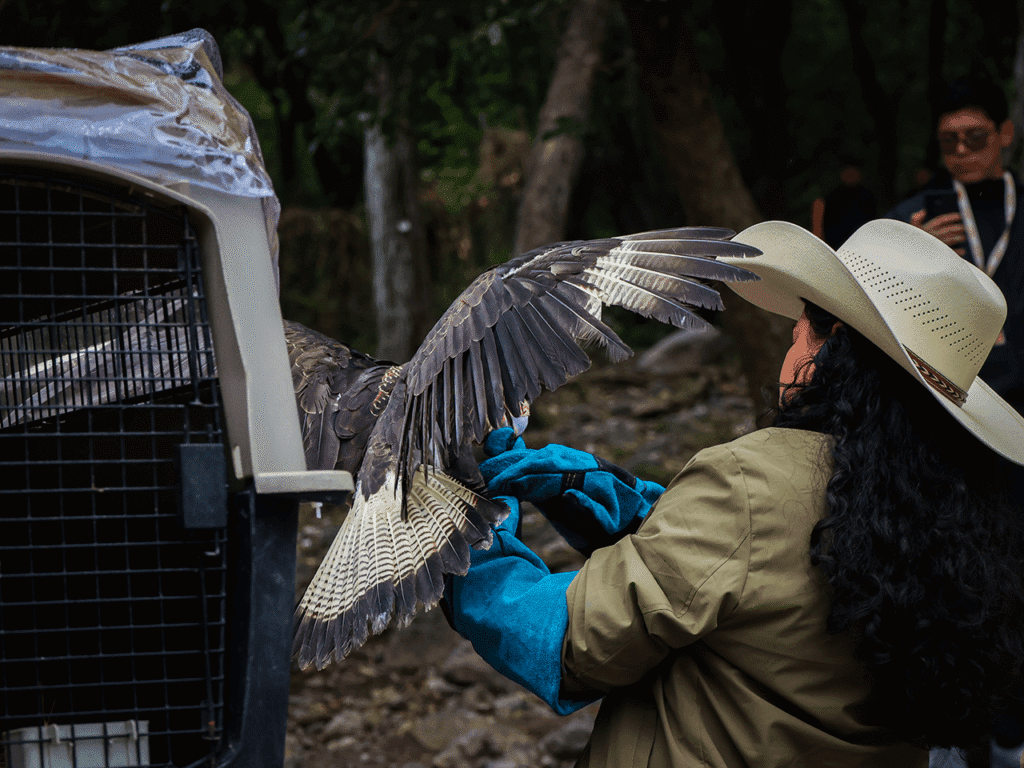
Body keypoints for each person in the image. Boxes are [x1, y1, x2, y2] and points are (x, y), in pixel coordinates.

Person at [443, 219, 1024, 767]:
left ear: (830, 345)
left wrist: (456, 530)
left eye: (801, 324)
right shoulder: (959, 511)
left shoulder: (754, 482)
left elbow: (568, 642)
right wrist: (633, 506)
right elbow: (767, 571)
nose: (790, 342)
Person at [887, 76, 1024, 416]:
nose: (961, 150)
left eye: (975, 138)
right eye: (949, 141)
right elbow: (871, 300)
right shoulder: (913, 216)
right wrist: (912, 254)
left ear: (1004, 134)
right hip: (949, 401)